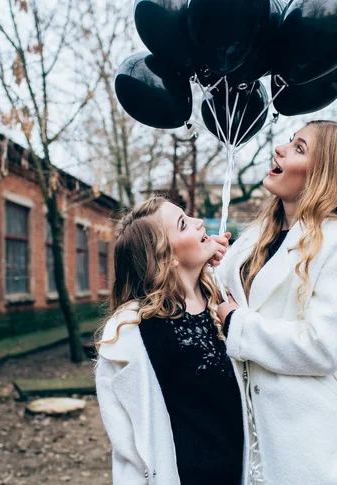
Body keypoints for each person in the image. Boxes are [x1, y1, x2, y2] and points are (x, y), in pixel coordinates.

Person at [215, 120, 337, 485]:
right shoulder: (254, 239)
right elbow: (218, 302)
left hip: (311, 444)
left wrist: (237, 325)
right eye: (289, 142)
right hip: (254, 433)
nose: (280, 148)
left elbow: (322, 346)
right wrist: (208, 264)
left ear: (323, 174)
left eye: (299, 148)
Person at [95, 196, 239, 485]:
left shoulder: (227, 299)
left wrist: (231, 263)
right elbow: (128, 446)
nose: (200, 222)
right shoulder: (131, 332)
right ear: (166, 255)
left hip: (247, 473)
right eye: (184, 224)